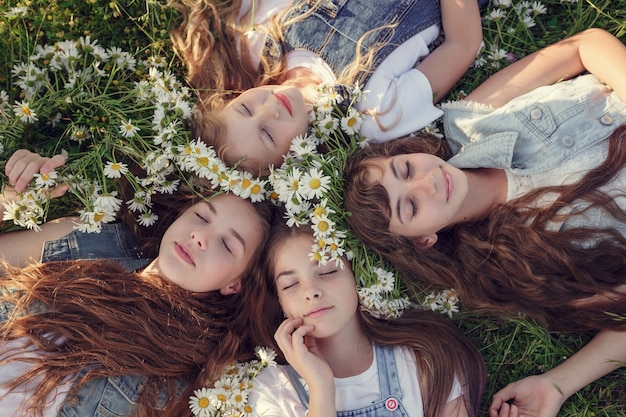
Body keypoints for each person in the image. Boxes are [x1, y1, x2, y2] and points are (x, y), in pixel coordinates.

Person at [343, 28, 626, 417]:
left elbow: (585, 45)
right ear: (424, 240)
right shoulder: (524, 268)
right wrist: (556, 385)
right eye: (410, 207)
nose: (426, 183)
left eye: (406, 168)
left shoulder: (473, 120)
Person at [0, 150, 273, 417]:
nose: (199, 236)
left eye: (226, 244)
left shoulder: (187, 382)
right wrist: (12, 200)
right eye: (201, 216)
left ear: (235, 284)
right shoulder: (95, 240)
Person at [168, 0, 486, 174]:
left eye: (246, 108)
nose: (269, 109)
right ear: (290, 161)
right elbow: (463, 43)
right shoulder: (374, 115)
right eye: (267, 134)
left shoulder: (256, 40)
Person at [245, 221, 486, 417]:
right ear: (280, 302)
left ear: (358, 275)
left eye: (328, 271)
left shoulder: (423, 358)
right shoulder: (274, 391)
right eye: (291, 284)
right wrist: (320, 388)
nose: (311, 291)